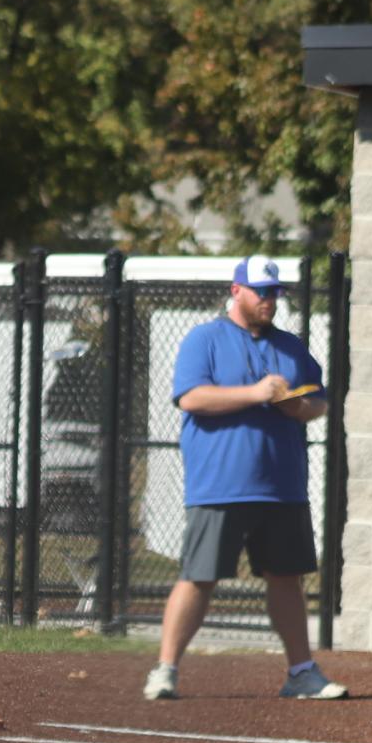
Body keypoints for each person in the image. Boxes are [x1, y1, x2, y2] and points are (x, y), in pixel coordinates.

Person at [143, 256, 345, 702]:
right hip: (221, 483)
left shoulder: (291, 347)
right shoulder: (205, 338)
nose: (269, 300)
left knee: (286, 577)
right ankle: (165, 669)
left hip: (281, 485)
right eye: (261, 292)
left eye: (274, 293)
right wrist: (255, 394)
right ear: (237, 291)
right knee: (199, 577)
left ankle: (301, 673)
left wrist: (298, 407)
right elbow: (192, 397)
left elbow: (319, 402)